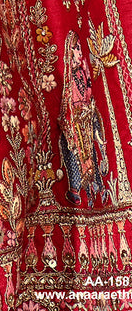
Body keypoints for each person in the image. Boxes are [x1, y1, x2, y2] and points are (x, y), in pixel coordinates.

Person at [59, 31, 109, 207]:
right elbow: (67, 99)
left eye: (80, 49)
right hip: (74, 121)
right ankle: (75, 189)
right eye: (77, 49)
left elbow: (88, 93)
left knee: (92, 153)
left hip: (86, 118)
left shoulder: (82, 73)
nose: (80, 53)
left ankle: (98, 187)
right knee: (73, 152)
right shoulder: (68, 76)